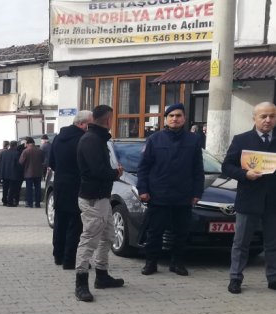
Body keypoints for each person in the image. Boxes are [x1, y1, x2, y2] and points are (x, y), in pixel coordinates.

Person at [137, 103, 204, 277]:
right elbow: (143, 167)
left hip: (183, 195)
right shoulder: (154, 139)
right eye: (171, 116)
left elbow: (198, 169)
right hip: (158, 195)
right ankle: (151, 263)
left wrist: (197, 193)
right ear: (165, 119)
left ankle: (177, 263)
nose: (175, 118)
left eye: (178, 115)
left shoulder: (194, 140)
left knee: (181, 233)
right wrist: (143, 190)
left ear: (184, 118)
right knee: (155, 232)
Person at [222, 101, 276, 294]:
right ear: (254, 118)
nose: (268, 120)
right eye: (263, 116)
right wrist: (245, 174)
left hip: (273, 202)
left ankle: (273, 278)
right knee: (241, 243)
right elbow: (227, 166)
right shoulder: (241, 139)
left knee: (272, 243)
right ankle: (235, 278)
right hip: (249, 199)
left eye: (272, 116)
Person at [74, 105, 125, 302]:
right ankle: (81, 283)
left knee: (108, 236)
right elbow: (97, 171)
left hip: (101, 198)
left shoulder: (97, 138)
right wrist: (116, 173)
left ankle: (102, 275)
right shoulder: (92, 140)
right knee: (89, 240)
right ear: (108, 119)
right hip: (92, 198)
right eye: (113, 118)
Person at [49, 110, 92, 269]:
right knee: (75, 224)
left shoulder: (59, 138)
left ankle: (58, 256)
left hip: (60, 185)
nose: (91, 127)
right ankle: (70, 260)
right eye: (90, 124)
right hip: (77, 186)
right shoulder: (83, 139)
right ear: (82, 124)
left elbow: (52, 163)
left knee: (60, 221)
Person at [19, 137, 44, 208]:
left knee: (29, 188)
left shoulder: (26, 151)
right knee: (38, 188)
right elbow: (43, 160)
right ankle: (38, 203)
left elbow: (21, 162)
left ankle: (29, 203)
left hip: (28, 173)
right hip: (38, 173)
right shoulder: (40, 150)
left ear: (27, 143)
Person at [0, 141, 22, 206]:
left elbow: (0, 163)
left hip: (4, 173)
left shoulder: (3, 153)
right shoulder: (17, 153)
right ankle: (10, 202)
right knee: (12, 188)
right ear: (15, 146)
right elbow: (18, 164)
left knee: (5, 188)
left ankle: (4, 201)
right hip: (13, 173)